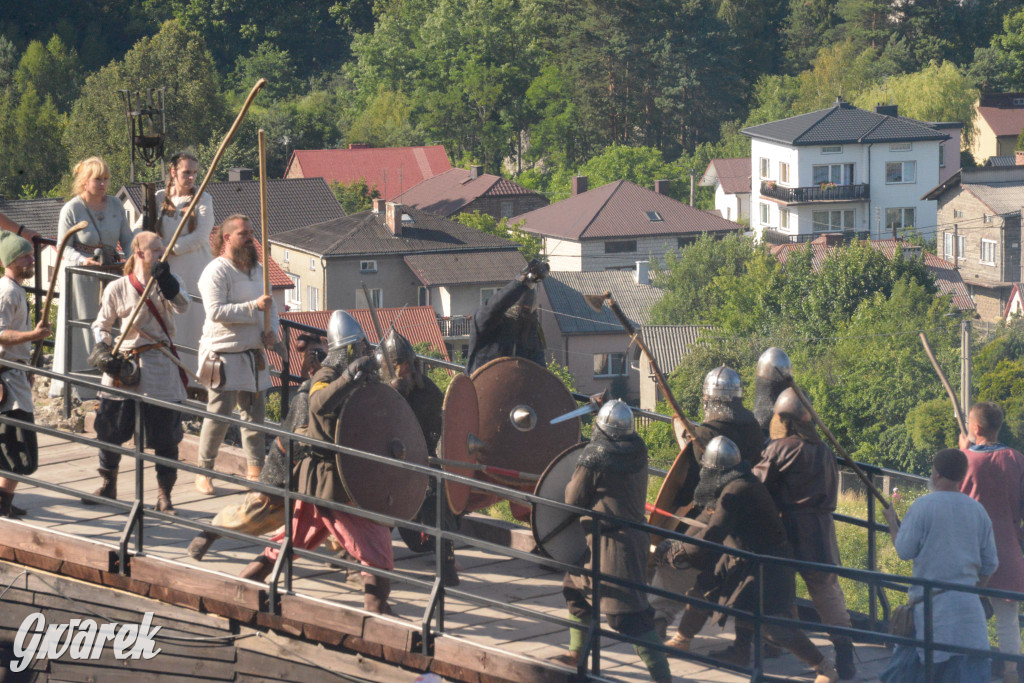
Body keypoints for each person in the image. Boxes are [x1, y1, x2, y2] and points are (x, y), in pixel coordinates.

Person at [236, 310, 396, 615]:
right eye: (358, 348)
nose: (363, 352)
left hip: (334, 481)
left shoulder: (363, 381)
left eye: (364, 348)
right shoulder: (326, 376)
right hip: (334, 484)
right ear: (346, 349)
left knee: (289, 543)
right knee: (378, 552)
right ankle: (377, 619)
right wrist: (349, 376)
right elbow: (319, 404)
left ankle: (243, 585)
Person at [654, 436, 839, 683]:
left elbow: (710, 537)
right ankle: (686, 639)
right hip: (743, 556)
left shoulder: (737, 490)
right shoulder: (732, 485)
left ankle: (824, 668)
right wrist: (677, 545)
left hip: (769, 564)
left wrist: (673, 551)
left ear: (715, 470)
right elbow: (708, 522)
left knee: (775, 624)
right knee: (706, 587)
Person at [553, 399, 671, 683]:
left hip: (615, 549)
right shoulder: (636, 449)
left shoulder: (596, 457)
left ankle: (663, 678)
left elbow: (573, 498)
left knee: (629, 617)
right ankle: (577, 653)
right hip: (620, 542)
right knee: (575, 589)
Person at [187, 333, 326, 560]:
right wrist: (307, 379)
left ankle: (352, 564)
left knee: (339, 520)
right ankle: (212, 531)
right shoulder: (305, 394)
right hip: (285, 472)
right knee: (253, 516)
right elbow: (300, 438)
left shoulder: (336, 390)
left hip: (317, 477)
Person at [651, 365, 764, 639]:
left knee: (674, 562)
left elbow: (691, 487)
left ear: (709, 399)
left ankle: (658, 622)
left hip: (712, 517)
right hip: (749, 517)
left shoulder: (705, 435)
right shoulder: (755, 430)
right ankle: (687, 637)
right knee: (713, 581)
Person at [753, 388, 856, 679]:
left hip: (786, 530)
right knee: (828, 595)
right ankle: (845, 657)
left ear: (783, 421)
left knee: (780, 594)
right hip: (820, 530)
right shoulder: (824, 451)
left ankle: (785, 647)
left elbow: (756, 487)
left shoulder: (778, 449)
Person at [84, 232, 189, 513]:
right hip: (124, 364)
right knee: (109, 429)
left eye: (162, 249)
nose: (161, 254)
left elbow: (183, 306)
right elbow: (101, 325)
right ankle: (109, 484)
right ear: (139, 253)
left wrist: (167, 283)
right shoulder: (117, 288)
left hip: (160, 364)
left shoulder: (168, 282)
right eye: (155, 250)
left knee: (166, 436)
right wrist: (102, 351)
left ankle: (164, 495)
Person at [880, 449, 998, 683]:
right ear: (962, 477)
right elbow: (990, 563)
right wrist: (974, 591)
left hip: (932, 610)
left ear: (936, 474)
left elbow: (904, 550)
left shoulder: (923, 506)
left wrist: (893, 523)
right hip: (969, 613)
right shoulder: (977, 510)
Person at [194, 214, 280, 494]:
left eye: (252, 232)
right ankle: (203, 471)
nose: (250, 238)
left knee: (255, 416)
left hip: (253, 353)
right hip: (225, 353)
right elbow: (216, 312)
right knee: (218, 415)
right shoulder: (215, 271)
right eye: (244, 233)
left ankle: (256, 471)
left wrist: (272, 332)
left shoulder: (259, 270)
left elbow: (272, 307)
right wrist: (253, 307)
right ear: (227, 238)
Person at [51, 157, 135, 398]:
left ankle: (109, 379)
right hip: (82, 276)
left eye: (106, 179)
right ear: (84, 182)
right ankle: (79, 386)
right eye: (97, 179)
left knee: (109, 323)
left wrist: (129, 260)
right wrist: (81, 260)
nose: (103, 184)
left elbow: (127, 238)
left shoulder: (116, 206)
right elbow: (63, 246)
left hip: (110, 271)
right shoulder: (72, 209)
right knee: (81, 324)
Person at [957, 401, 1024, 683]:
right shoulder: (1017, 458)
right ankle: (1010, 672)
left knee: (964, 612)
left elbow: (955, 493)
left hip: (971, 548)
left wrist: (962, 450)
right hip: (1009, 546)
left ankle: (970, 669)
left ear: (975, 428)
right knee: (1008, 619)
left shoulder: (966, 460)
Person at [134, 151, 214, 380]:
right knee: (171, 323)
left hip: (195, 272)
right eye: (186, 172)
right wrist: (146, 246)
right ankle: (171, 376)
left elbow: (200, 236)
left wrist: (166, 247)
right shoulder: (159, 198)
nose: (191, 178)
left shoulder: (203, 199)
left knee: (195, 325)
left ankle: (197, 382)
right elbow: (138, 229)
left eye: (194, 173)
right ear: (173, 172)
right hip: (166, 274)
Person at [0, 233, 50, 517]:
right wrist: (33, 335)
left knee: (15, 447)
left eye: (31, 255)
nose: (32, 260)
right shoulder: (6, 292)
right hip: (7, 380)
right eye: (26, 257)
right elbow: (1, 335)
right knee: (17, 449)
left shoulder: (15, 289)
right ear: (11, 261)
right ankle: (2, 504)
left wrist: (29, 367)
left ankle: (4, 502)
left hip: (17, 374)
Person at [465, 258, 548, 375]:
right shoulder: (487, 323)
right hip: (480, 389)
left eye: (529, 310)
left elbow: (540, 372)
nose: (525, 313)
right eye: (523, 308)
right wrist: (521, 281)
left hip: (516, 390)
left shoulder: (530, 331)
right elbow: (493, 307)